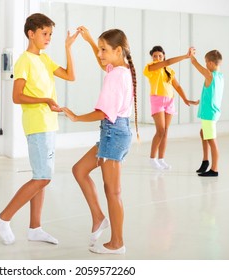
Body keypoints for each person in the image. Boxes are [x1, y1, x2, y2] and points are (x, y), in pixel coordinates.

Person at [0, 13, 78, 245]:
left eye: (50, 34)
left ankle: (35, 228)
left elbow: (71, 76)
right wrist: (45, 100)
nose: (48, 38)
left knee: (41, 176)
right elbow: (16, 96)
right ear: (31, 34)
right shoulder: (24, 61)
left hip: (49, 124)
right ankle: (3, 218)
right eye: (44, 33)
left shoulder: (45, 59)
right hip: (37, 126)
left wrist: (68, 47)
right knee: (42, 178)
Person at [62, 27, 138, 255]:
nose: (100, 54)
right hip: (114, 133)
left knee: (113, 192)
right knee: (79, 170)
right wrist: (88, 41)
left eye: (104, 49)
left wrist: (75, 117)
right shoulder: (122, 69)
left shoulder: (116, 76)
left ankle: (117, 243)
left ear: (117, 50)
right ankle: (99, 217)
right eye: (100, 49)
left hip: (113, 134)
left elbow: (103, 113)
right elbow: (103, 63)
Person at [144, 46, 198, 170]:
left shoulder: (169, 70)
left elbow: (177, 86)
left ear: (164, 55)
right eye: (155, 56)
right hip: (157, 100)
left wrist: (185, 99)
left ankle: (161, 159)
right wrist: (186, 56)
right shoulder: (150, 67)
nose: (157, 58)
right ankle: (152, 158)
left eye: (160, 56)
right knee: (160, 130)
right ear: (152, 58)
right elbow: (167, 62)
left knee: (166, 131)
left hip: (169, 101)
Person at [190, 50, 223, 177]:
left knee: (211, 140)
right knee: (203, 133)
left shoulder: (210, 75)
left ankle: (214, 169)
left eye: (205, 62)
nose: (205, 65)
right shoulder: (220, 76)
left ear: (210, 63)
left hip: (209, 114)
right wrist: (200, 101)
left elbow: (195, 63)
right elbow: (213, 94)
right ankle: (205, 161)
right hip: (212, 111)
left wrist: (191, 55)